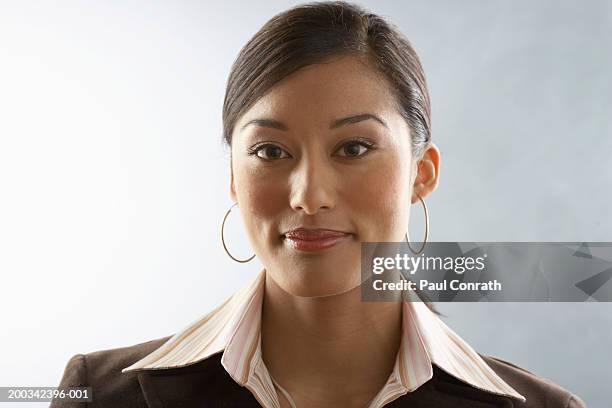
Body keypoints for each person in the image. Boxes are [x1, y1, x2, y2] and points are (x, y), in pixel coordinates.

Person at [52, 1, 587, 407]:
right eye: (270, 151)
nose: (309, 196)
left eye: (354, 148)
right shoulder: (96, 396)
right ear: (234, 178)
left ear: (421, 174)